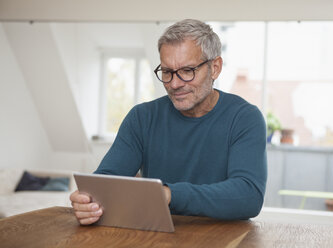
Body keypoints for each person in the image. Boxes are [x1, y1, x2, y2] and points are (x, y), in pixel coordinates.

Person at [70, 19, 267, 225]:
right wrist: (89, 201)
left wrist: (170, 194)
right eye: (167, 72)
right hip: (158, 235)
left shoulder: (245, 118)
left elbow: (248, 196)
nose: (174, 83)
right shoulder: (142, 117)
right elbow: (106, 181)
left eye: (187, 71)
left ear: (215, 68)